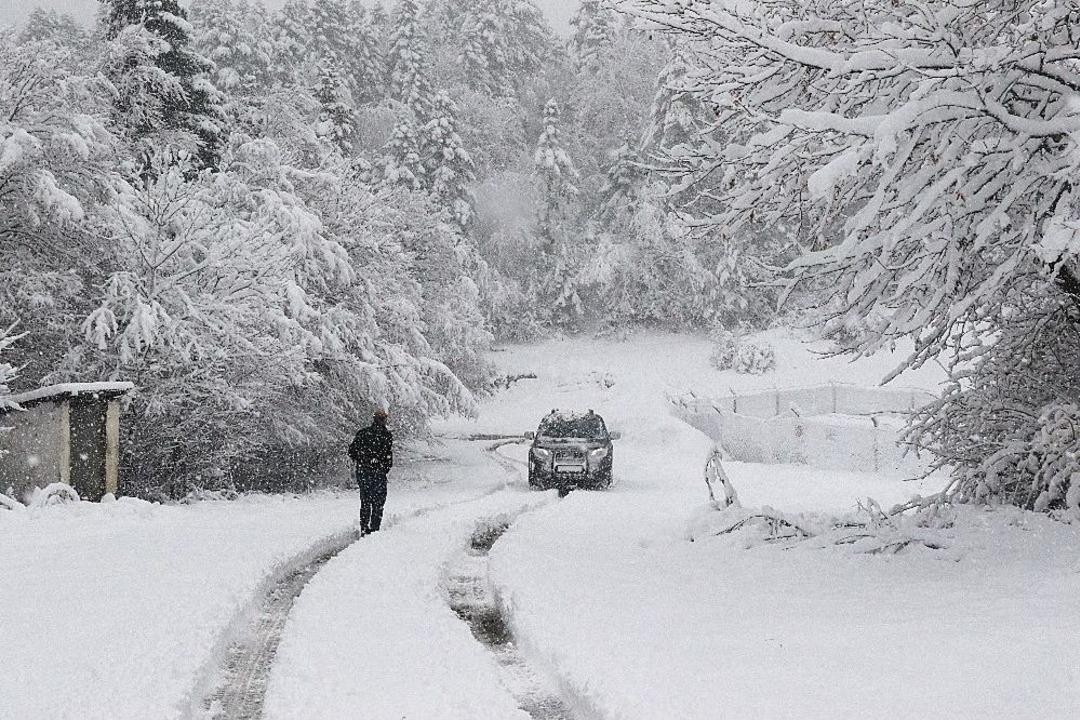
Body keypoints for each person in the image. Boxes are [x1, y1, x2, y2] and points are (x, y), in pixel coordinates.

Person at [348, 408, 393, 535]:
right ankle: (374, 529)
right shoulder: (386, 435)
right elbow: (388, 457)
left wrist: (362, 461)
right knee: (378, 502)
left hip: (364, 472)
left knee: (366, 501)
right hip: (378, 473)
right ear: (384, 420)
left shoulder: (363, 433)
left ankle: (364, 528)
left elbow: (352, 452)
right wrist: (383, 467)